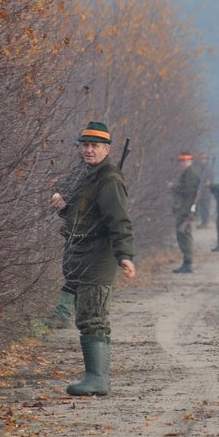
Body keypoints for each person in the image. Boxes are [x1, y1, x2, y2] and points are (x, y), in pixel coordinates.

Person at [49, 121, 136, 396]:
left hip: (99, 256)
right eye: (85, 145)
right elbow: (82, 214)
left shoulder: (109, 180)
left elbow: (119, 220)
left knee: (93, 316)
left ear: (106, 149)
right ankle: (97, 378)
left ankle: (97, 379)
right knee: (88, 316)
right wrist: (63, 206)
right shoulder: (85, 175)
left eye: (94, 146)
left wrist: (124, 255)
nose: (88, 150)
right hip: (82, 254)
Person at [171, 152, 200, 273]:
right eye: (181, 161)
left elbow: (188, 190)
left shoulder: (190, 174)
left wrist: (174, 187)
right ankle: (186, 262)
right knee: (182, 236)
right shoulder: (188, 173)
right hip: (184, 209)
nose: (181, 164)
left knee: (185, 236)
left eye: (184, 161)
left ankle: (188, 263)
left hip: (186, 210)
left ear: (189, 161)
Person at [196, 152, 213, 228]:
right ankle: (202, 222)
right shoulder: (200, 167)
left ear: (206, 159)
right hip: (200, 190)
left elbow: (209, 180)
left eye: (202, 159)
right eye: (200, 159)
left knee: (205, 207)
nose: (201, 160)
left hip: (205, 191)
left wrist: (207, 183)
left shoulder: (208, 168)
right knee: (199, 207)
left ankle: (205, 223)